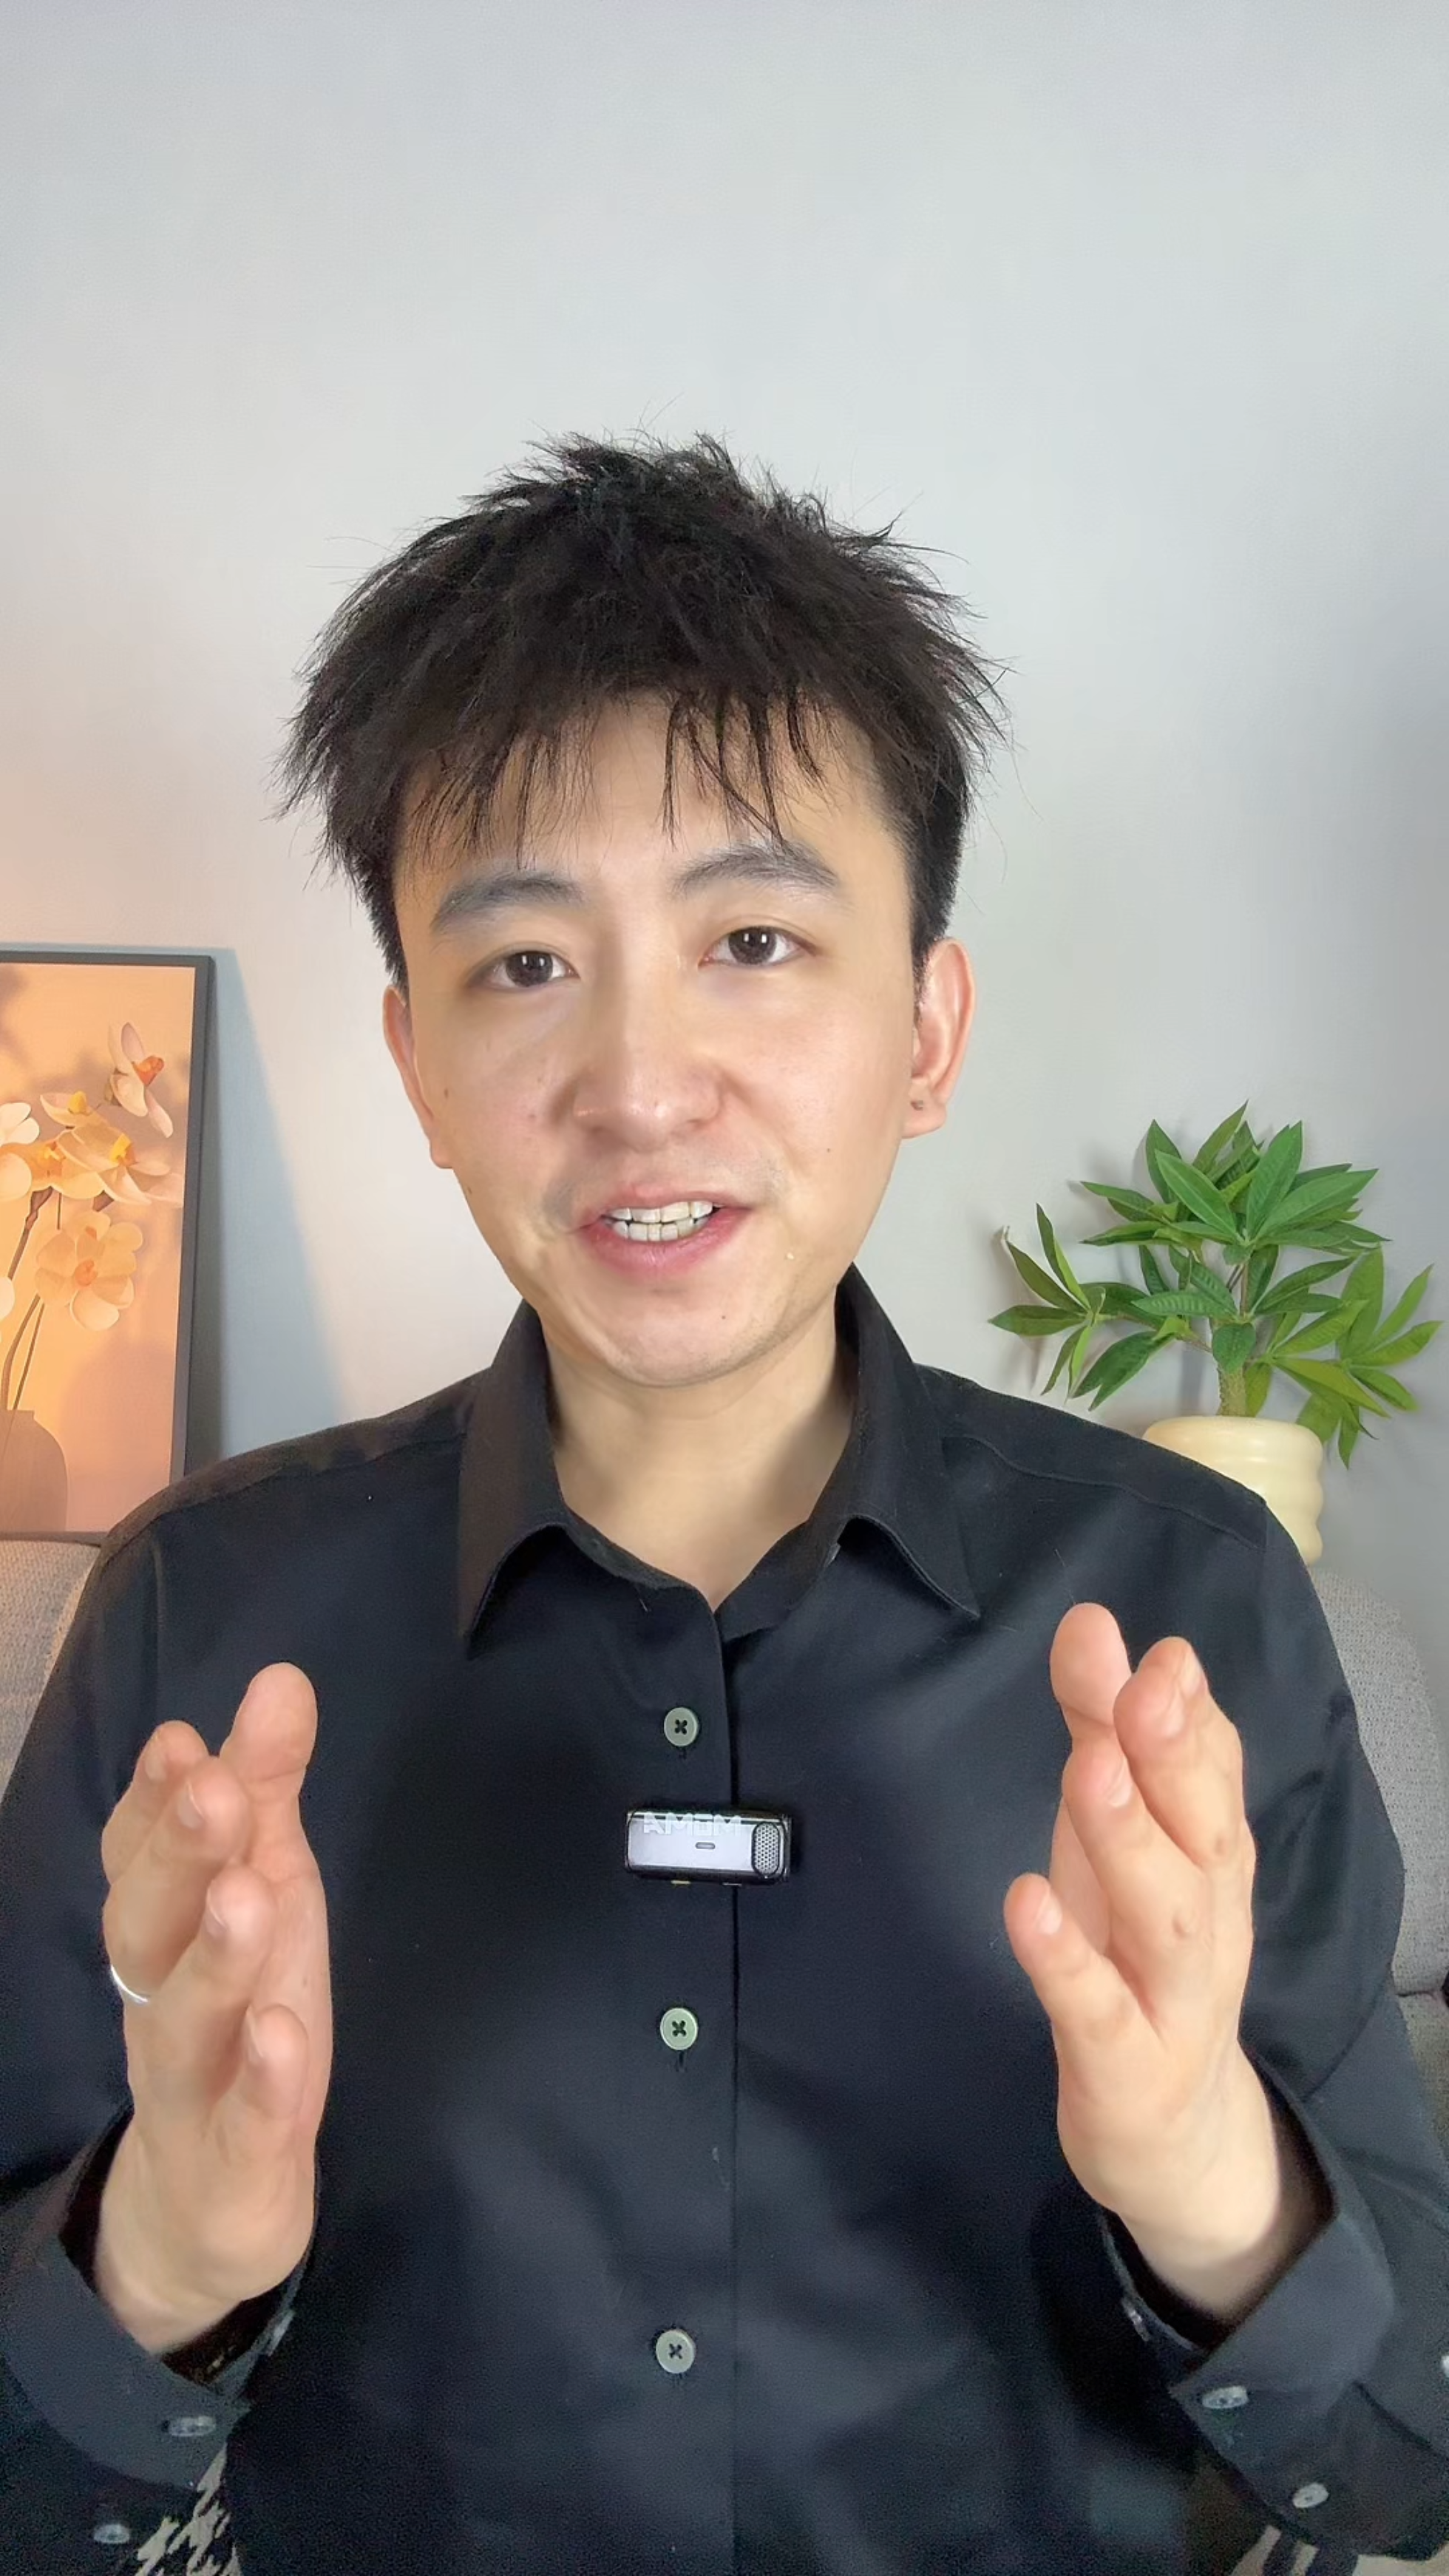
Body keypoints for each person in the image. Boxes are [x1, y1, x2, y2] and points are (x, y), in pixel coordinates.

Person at [1, 433, 1447, 2576]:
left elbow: (1407, 2465)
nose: (640, 1084)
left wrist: (1211, 2182)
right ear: (415, 1065)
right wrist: (165, 2260)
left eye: (754, 937)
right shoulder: (200, 1625)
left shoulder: (1184, 1603)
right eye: (524, 965)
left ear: (927, 1028)